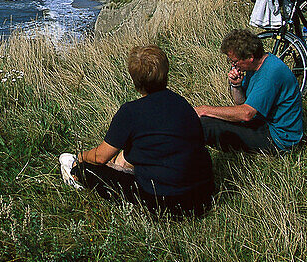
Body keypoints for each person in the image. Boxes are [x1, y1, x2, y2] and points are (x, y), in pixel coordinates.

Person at [59, 45, 214, 218]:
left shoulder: (130, 112)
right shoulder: (182, 103)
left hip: (166, 204)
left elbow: (101, 157)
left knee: (82, 168)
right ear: (166, 74)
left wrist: (80, 156)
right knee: (129, 156)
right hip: (203, 197)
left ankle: (74, 174)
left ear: (135, 81)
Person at [195, 29, 304, 153]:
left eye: (235, 61)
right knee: (210, 121)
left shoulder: (270, 74)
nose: (233, 66)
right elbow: (241, 104)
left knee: (206, 126)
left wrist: (204, 110)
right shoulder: (256, 67)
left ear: (250, 57)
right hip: (263, 123)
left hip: (279, 138)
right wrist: (236, 86)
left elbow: (246, 114)